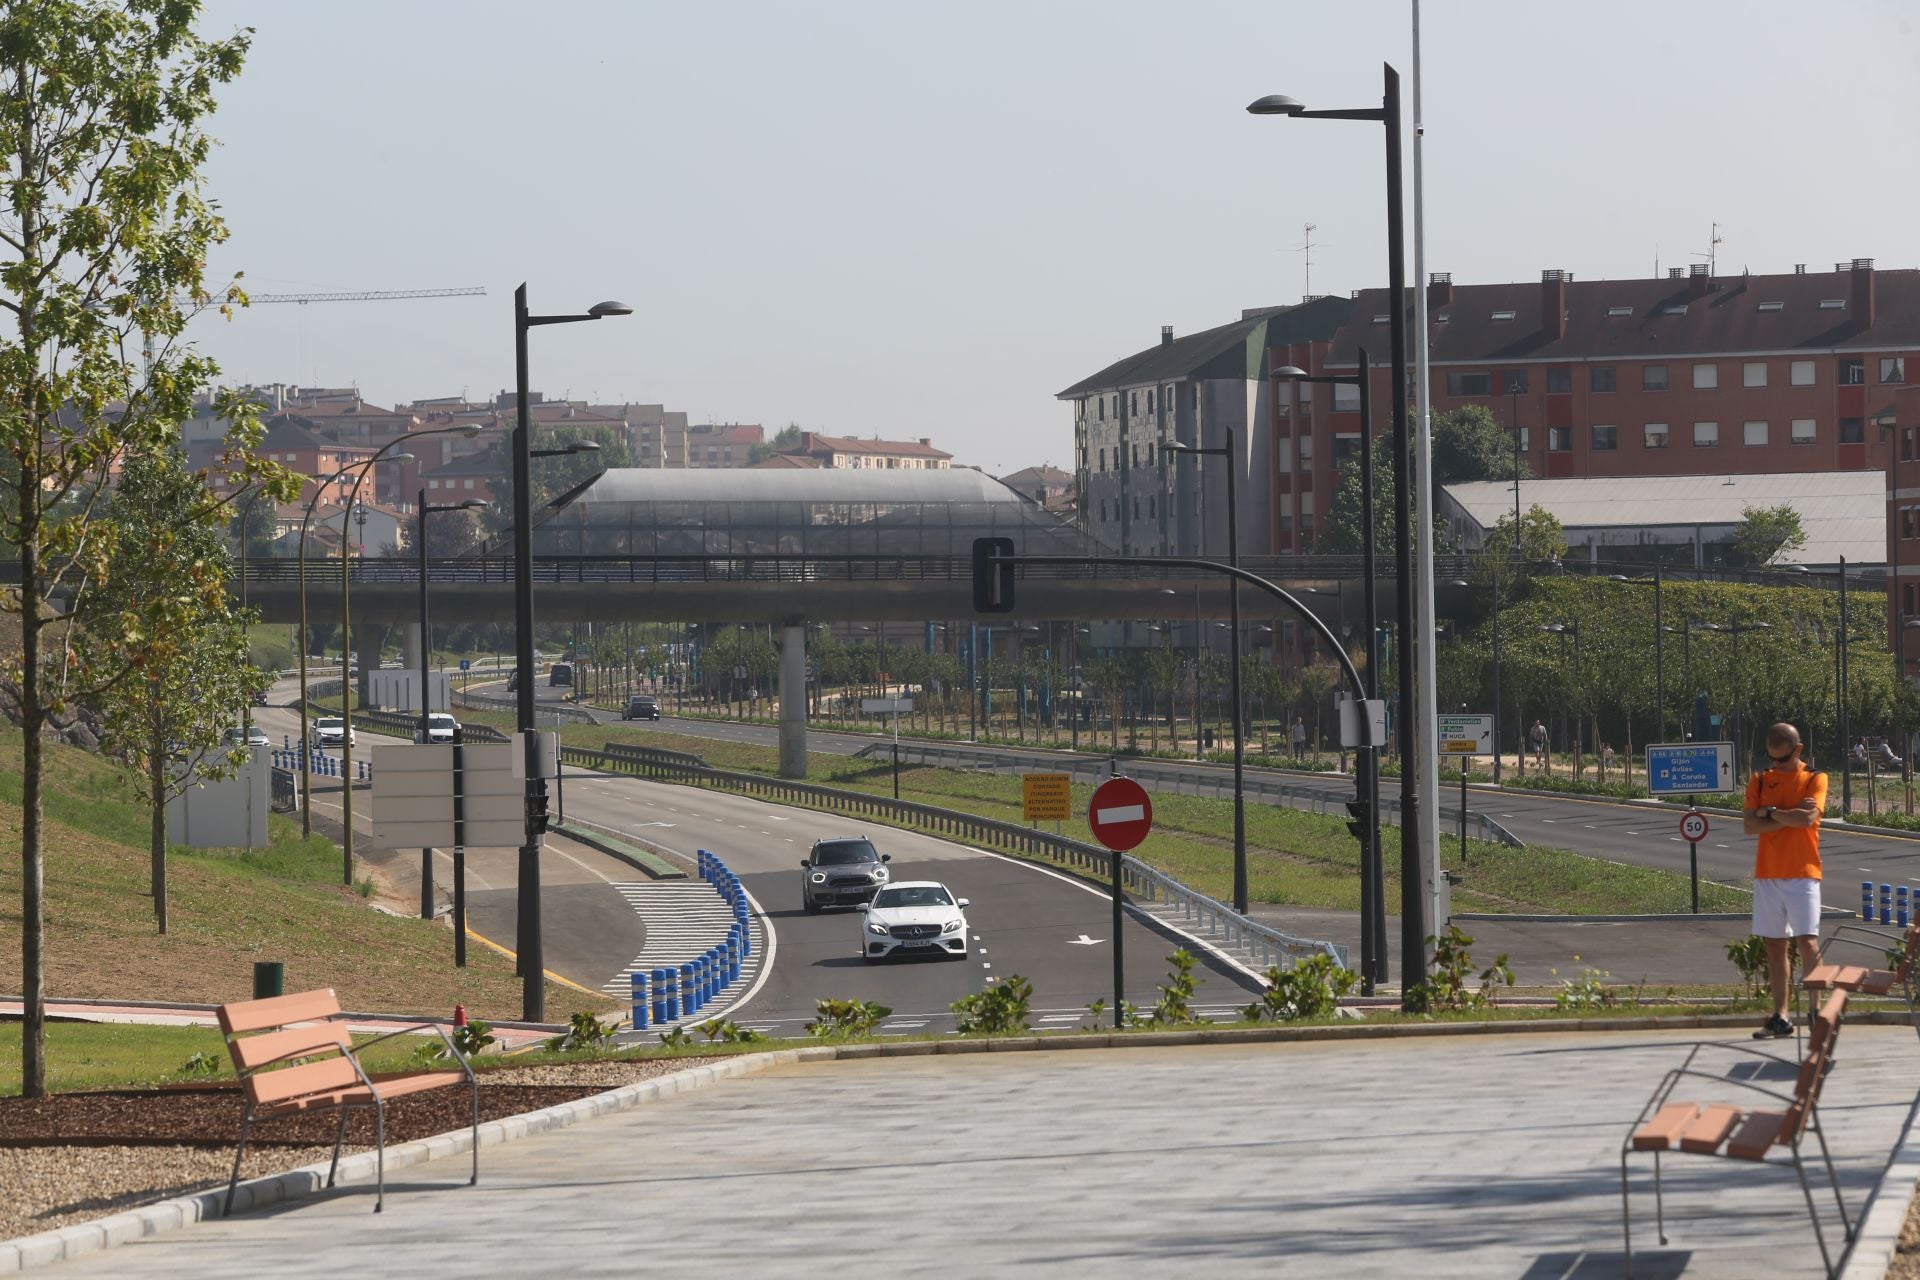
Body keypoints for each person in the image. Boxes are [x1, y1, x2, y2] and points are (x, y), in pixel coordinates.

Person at [1742, 722, 1827, 1039]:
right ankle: (1781, 1016)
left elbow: (1807, 819)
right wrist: (1785, 814)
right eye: (1773, 759)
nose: (1777, 765)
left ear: (1798, 749)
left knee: (1807, 942)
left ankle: (1816, 1009)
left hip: (1803, 874)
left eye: (1783, 759)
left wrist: (1769, 812)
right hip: (1768, 874)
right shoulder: (1760, 779)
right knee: (1775, 947)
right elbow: (1749, 826)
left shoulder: (1815, 778)